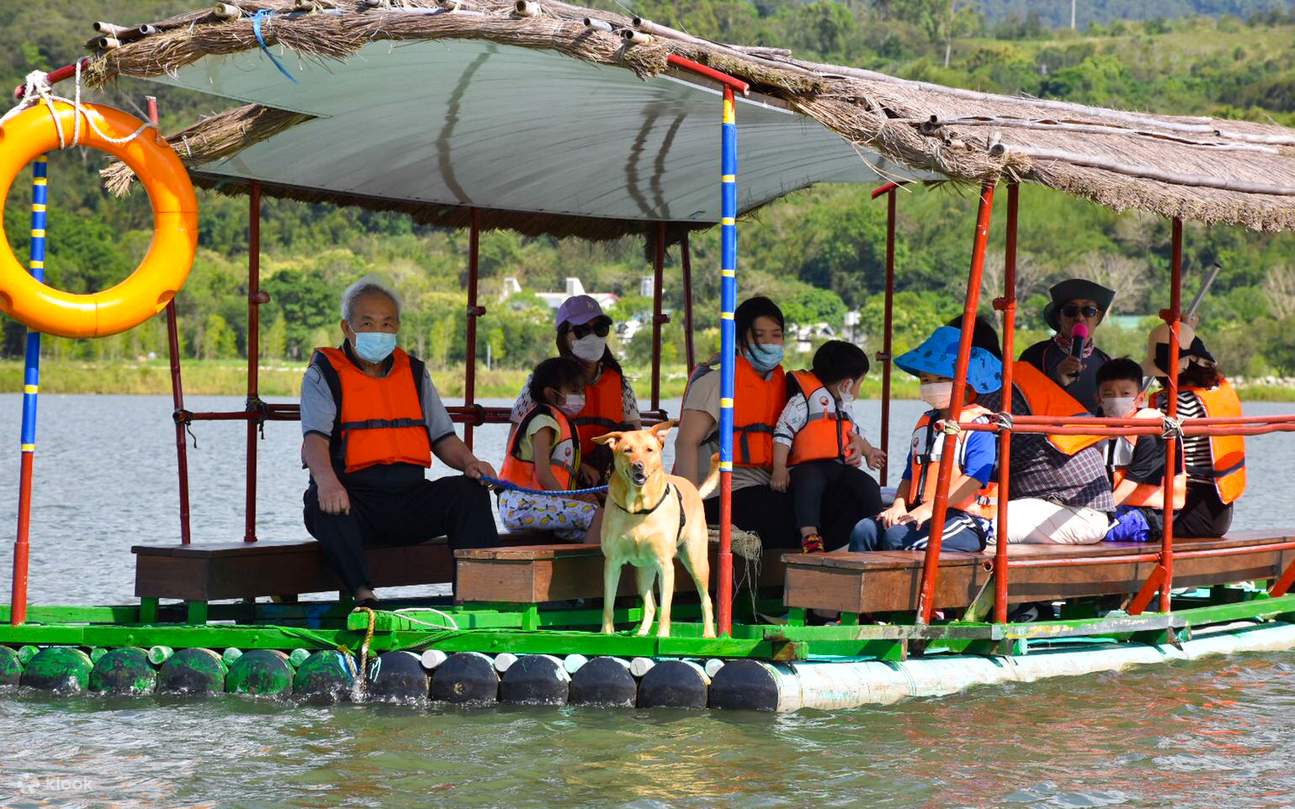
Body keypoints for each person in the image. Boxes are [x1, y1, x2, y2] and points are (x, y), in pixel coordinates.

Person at [301, 278, 499, 607]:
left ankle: (479, 598)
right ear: (347, 328)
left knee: (469, 494)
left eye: (387, 323)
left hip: (408, 497)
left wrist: (470, 463)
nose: (378, 330)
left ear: (397, 328)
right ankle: (364, 596)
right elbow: (315, 440)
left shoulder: (415, 372)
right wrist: (327, 482)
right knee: (321, 504)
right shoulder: (323, 374)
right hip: (354, 498)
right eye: (367, 323)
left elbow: (443, 436)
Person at [672, 297, 882, 550]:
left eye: (777, 335)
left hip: (772, 484)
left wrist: (857, 446)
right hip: (724, 493)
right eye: (760, 335)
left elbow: (827, 418)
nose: (770, 343)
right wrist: (689, 508)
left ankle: (850, 563)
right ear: (739, 340)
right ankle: (805, 567)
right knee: (788, 519)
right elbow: (685, 442)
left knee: (855, 495)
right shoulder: (716, 383)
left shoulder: (785, 386)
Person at [850, 325, 1000, 553]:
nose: (931, 386)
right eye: (925, 380)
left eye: (941, 378)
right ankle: (853, 588)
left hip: (965, 520)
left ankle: (898, 589)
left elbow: (976, 476)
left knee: (896, 538)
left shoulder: (978, 425)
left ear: (966, 384)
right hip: (922, 510)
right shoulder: (925, 423)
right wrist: (899, 504)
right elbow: (909, 474)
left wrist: (931, 508)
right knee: (865, 529)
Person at [980, 346, 1114, 545]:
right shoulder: (1017, 378)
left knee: (978, 527)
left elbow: (981, 470)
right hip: (1067, 508)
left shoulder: (992, 394)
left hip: (1075, 512)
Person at [509, 295, 640, 484]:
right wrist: (578, 468)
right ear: (564, 337)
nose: (592, 336)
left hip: (608, 482)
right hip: (556, 482)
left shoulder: (620, 386)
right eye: (582, 330)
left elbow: (637, 438)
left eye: (600, 329)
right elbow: (516, 442)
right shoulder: (542, 381)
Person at [771, 340, 885, 553]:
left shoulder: (844, 405)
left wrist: (869, 452)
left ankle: (879, 530)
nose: (859, 389)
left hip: (838, 468)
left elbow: (854, 433)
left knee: (867, 484)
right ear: (846, 385)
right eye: (860, 383)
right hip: (807, 469)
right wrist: (779, 468)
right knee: (809, 484)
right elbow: (782, 433)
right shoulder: (801, 402)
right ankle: (810, 536)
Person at [1145, 322, 1245, 538]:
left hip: (1189, 510)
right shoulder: (1216, 392)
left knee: (1124, 520)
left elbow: (1150, 452)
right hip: (1218, 509)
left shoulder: (1175, 403)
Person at [497, 357, 601, 541]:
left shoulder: (556, 420)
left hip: (540, 503)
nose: (581, 397)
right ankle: (590, 570)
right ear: (552, 395)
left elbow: (557, 462)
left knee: (593, 527)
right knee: (597, 516)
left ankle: (579, 567)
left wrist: (581, 470)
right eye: (575, 391)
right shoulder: (543, 423)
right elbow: (543, 474)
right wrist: (573, 499)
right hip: (521, 505)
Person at [1096, 357, 1185, 542]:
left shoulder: (1150, 430)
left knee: (1093, 531)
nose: (1117, 399)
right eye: (1109, 394)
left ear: (1140, 398)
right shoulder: (1097, 427)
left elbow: (1133, 479)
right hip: (1116, 507)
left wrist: (1099, 511)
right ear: (1098, 398)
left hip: (1153, 515)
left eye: (1125, 393)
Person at [1019, 279, 1116, 413]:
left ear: (1098, 318)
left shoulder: (1104, 361)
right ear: (1059, 317)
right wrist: (1058, 381)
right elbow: (1022, 406)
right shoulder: (1034, 356)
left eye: (1089, 311)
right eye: (1071, 310)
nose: (1080, 317)